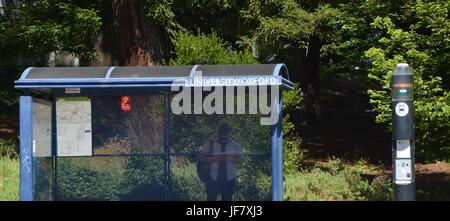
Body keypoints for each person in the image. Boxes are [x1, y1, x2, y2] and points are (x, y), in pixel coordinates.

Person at [199, 124, 242, 201]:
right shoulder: (209, 144)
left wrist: (229, 158)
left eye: (225, 137)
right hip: (213, 179)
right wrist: (216, 158)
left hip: (229, 180)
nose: (223, 139)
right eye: (221, 137)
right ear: (218, 134)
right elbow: (201, 158)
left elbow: (240, 160)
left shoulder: (235, 145)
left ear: (229, 134)